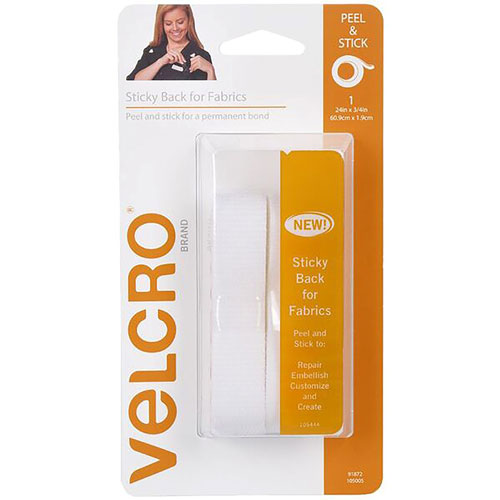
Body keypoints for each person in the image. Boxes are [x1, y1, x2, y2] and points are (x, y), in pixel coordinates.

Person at [127, 5, 216, 81]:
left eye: (180, 22)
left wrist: (210, 70)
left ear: (189, 21)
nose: (175, 28)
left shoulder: (200, 56)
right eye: (168, 24)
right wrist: (160, 62)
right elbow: (132, 85)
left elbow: (209, 94)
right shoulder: (152, 51)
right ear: (161, 24)